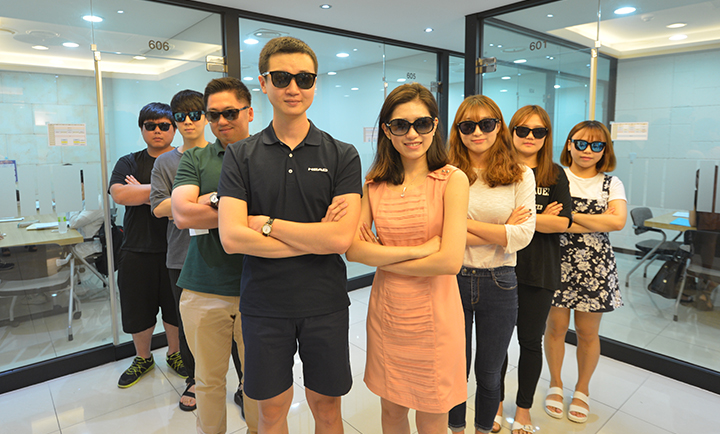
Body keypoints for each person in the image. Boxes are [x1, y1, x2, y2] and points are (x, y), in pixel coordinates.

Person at [216, 36, 362, 434]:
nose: (293, 88)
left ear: (315, 83)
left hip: (325, 302)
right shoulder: (240, 155)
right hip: (264, 304)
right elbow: (232, 239)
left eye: (304, 78)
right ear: (264, 83)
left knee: (327, 409)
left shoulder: (342, 154)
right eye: (281, 78)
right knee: (270, 412)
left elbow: (340, 241)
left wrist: (267, 224)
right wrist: (316, 238)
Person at [345, 83, 469, 434]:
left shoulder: (452, 180)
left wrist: (381, 256)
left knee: (432, 416)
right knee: (392, 410)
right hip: (388, 315)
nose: (412, 134)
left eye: (422, 124)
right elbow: (354, 250)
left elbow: (449, 262)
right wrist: (421, 249)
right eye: (400, 125)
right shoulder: (374, 184)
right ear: (387, 130)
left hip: (436, 315)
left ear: (435, 125)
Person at [171, 78, 258, 434]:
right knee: (207, 381)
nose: (222, 121)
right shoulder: (196, 157)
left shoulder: (268, 155)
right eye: (213, 115)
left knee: (259, 380)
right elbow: (182, 214)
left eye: (230, 113)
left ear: (249, 112)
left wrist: (210, 201)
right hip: (204, 287)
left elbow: (284, 211)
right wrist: (242, 209)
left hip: (261, 287)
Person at [447, 95, 536, 434]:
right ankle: (456, 429)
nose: (477, 132)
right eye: (468, 125)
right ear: (458, 130)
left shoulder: (521, 174)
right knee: (455, 370)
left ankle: (483, 429)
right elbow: (439, 233)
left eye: (486, 124)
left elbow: (523, 235)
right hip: (452, 277)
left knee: (489, 372)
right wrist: (501, 231)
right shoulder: (446, 173)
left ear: (499, 126)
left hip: (500, 281)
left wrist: (461, 226)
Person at [494, 106, 572, 434]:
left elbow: (563, 223)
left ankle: (523, 410)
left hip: (540, 271)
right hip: (500, 267)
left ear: (546, 136)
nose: (529, 136)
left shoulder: (555, 175)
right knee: (496, 343)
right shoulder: (498, 171)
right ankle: (495, 404)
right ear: (510, 132)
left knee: (529, 341)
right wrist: (539, 218)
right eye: (522, 130)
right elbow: (488, 217)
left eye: (538, 131)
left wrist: (520, 219)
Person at [543, 120, 626, 424]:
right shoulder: (555, 176)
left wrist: (569, 215)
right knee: (555, 328)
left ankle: (582, 389)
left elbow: (618, 222)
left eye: (596, 145)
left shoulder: (611, 184)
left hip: (595, 267)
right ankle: (555, 383)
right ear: (569, 145)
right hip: (556, 262)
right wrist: (597, 218)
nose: (587, 150)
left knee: (588, 333)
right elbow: (545, 220)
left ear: (605, 150)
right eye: (581, 143)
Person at [109, 102, 186, 388]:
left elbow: (193, 197)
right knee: (137, 309)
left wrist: (140, 190)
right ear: (141, 129)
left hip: (177, 249)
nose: (157, 131)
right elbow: (120, 195)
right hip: (136, 248)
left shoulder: (185, 159)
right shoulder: (128, 162)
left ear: (174, 129)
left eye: (164, 126)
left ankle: (175, 353)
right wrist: (167, 192)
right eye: (150, 126)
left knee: (176, 309)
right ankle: (143, 357)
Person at [149, 89, 209, 412]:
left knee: (237, 320)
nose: (188, 122)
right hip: (181, 254)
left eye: (195, 115)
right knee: (187, 322)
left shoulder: (223, 153)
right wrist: (198, 203)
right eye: (181, 116)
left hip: (223, 251)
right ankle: (194, 379)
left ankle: (244, 380)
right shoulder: (165, 162)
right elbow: (158, 207)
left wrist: (185, 206)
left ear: (206, 117)